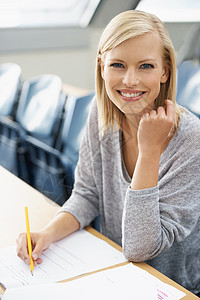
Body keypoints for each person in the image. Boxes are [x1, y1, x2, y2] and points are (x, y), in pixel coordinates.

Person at [17, 10, 200, 296]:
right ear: (102, 66)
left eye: (146, 66)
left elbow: (140, 248)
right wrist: (47, 234)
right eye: (117, 64)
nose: (129, 80)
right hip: (117, 273)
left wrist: (150, 150)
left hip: (173, 288)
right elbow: (87, 194)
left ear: (165, 70)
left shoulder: (190, 139)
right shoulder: (100, 116)